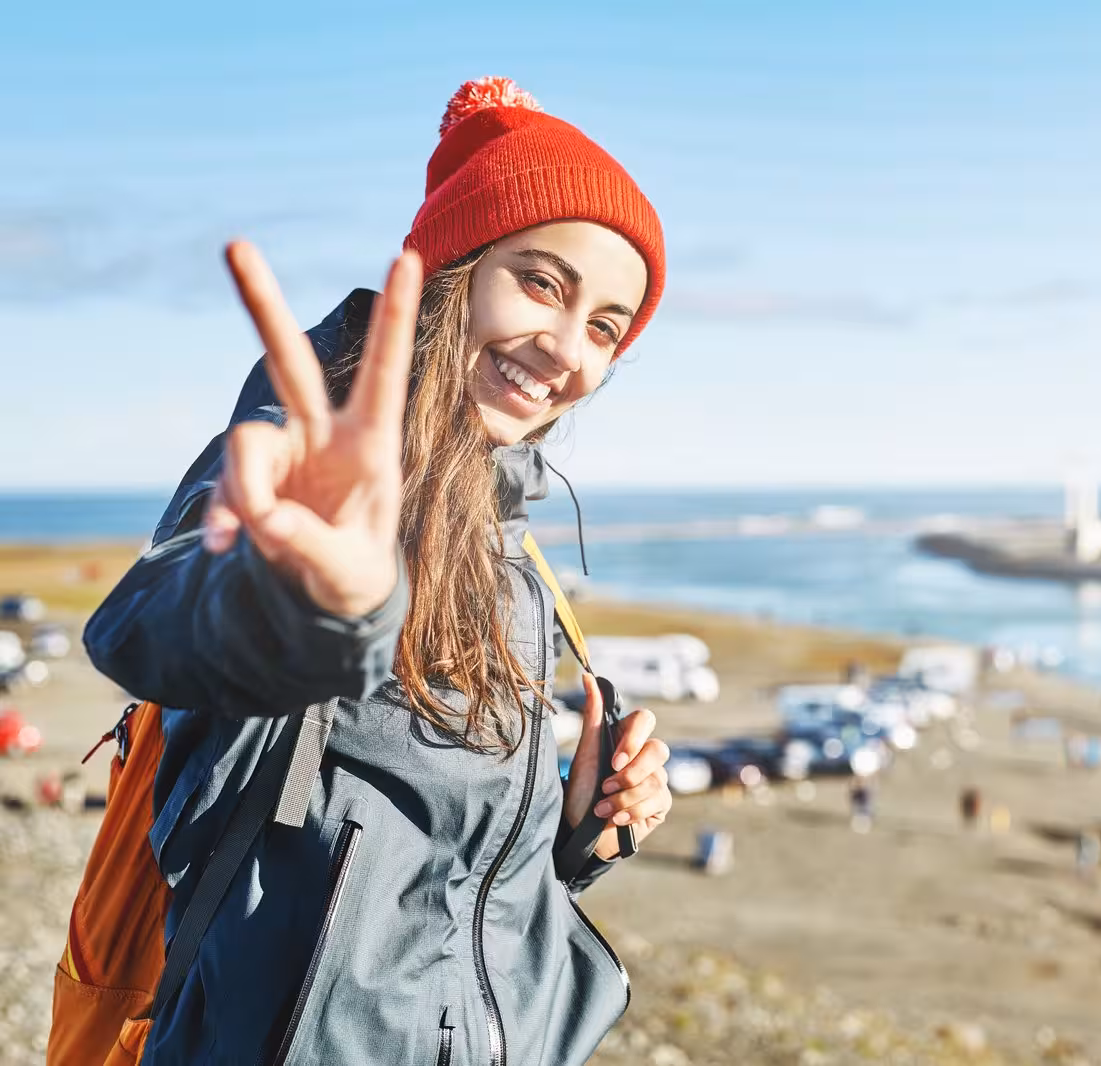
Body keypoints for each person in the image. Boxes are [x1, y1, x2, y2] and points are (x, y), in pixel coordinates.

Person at [80, 76, 671, 1065]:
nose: (567, 349)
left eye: (606, 326)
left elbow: (438, 882)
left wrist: (573, 832)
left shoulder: (510, 548)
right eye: (540, 282)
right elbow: (143, 621)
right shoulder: (310, 464)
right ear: (453, 267)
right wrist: (310, 606)